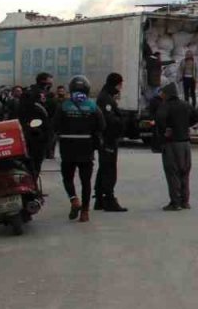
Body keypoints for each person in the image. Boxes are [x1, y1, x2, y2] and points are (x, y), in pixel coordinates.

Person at [53, 75, 105, 223]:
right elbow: (102, 126)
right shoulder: (93, 106)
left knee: (67, 177)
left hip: (67, 147)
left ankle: (74, 199)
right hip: (86, 147)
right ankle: (85, 212)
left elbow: (54, 126)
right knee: (86, 181)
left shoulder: (63, 105)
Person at [156, 83, 195, 211]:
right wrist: (186, 125)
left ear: (167, 94)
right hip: (186, 144)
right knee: (184, 172)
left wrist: (165, 129)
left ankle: (175, 203)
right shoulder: (185, 105)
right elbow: (197, 115)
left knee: (173, 172)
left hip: (172, 143)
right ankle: (185, 202)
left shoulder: (166, 106)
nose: (161, 96)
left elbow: (159, 119)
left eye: (163, 93)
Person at [93, 72, 127, 212]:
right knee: (109, 168)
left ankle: (100, 198)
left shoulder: (106, 96)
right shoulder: (106, 99)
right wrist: (122, 120)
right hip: (108, 139)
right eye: (120, 84)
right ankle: (108, 198)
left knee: (104, 168)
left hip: (108, 139)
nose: (121, 87)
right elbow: (109, 121)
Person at [18, 72, 55, 182]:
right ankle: (32, 186)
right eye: (50, 81)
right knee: (37, 161)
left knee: (27, 161)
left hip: (26, 132)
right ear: (45, 82)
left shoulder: (27, 92)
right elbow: (51, 114)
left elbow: (20, 112)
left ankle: (27, 184)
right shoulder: (46, 95)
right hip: (40, 134)